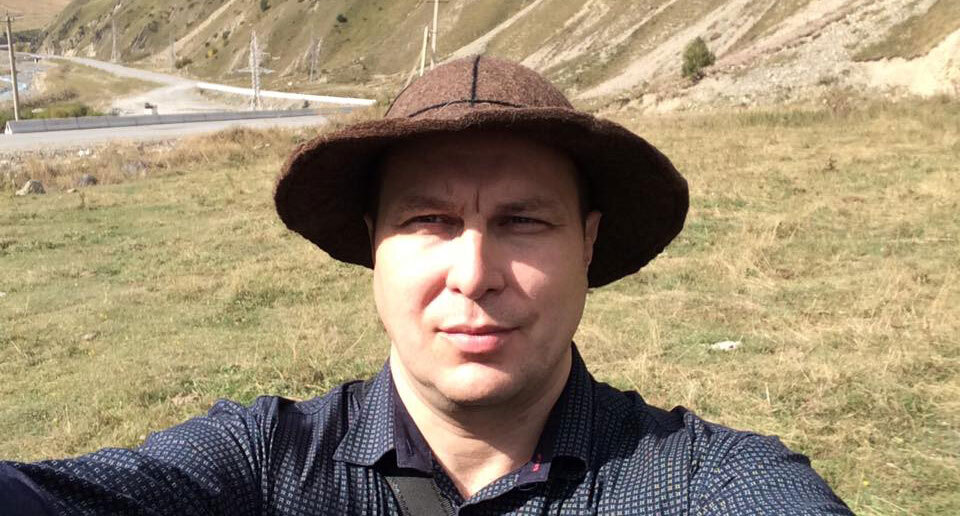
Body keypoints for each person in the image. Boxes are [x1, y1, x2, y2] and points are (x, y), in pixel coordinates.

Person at [0, 56, 851, 515]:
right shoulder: (263, 466)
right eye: (429, 221)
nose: (474, 275)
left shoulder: (701, 482)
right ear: (375, 245)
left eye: (524, 221)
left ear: (588, 244)